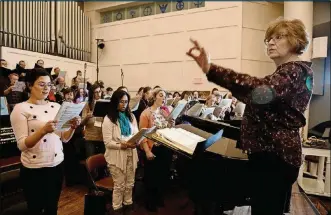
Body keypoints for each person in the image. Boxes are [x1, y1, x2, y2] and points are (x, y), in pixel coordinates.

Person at [187, 18, 313, 215]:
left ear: (296, 39)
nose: (270, 42)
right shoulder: (290, 73)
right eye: (268, 39)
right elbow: (256, 96)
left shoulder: (294, 71)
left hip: (275, 158)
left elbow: (259, 91)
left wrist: (212, 70)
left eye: (278, 37)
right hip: (274, 156)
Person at [10, 68, 81, 215]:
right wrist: (43, 131)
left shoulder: (55, 106)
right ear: (30, 85)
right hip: (34, 168)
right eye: (41, 84)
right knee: (36, 209)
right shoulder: (20, 109)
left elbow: (64, 138)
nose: (46, 89)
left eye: (49, 85)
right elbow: (22, 145)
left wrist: (72, 127)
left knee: (52, 208)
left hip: (56, 165)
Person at [102, 90, 139, 215]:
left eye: (126, 102)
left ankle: (128, 205)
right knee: (119, 185)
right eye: (121, 102)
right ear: (115, 102)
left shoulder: (131, 116)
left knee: (130, 183)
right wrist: (122, 145)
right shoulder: (109, 119)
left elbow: (136, 132)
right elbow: (108, 142)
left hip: (131, 153)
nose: (124, 105)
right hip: (117, 155)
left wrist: (137, 140)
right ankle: (117, 208)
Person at [139, 88, 175, 213]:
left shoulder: (164, 112)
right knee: (151, 177)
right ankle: (150, 202)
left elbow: (168, 129)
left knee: (162, 174)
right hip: (153, 148)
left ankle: (159, 197)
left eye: (165, 96)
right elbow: (142, 134)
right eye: (161, 95)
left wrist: (171, 123)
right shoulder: (146, 113)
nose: (163, 98)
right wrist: (147, 151)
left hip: (165, 147)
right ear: (154, 97)